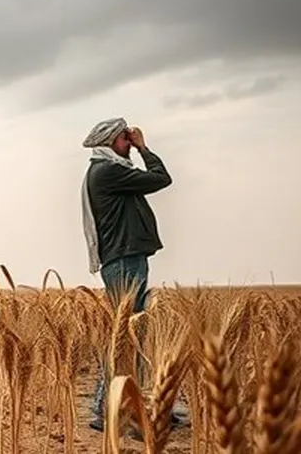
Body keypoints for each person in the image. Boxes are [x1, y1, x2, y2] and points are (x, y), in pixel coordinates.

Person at [80, 117, 189, 433]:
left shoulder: (107, 171)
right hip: (124, 259)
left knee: (130, 337)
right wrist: (144, 148)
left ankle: (144, 409)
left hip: (126, 257)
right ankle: (108, 411)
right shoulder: (108, 171)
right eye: (124, 139)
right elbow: (161, 178)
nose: (128, 143)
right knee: (126, 338)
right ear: (110, 141)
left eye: (130, 138)